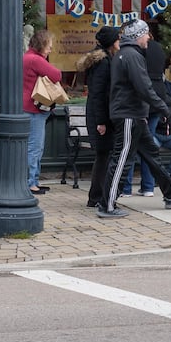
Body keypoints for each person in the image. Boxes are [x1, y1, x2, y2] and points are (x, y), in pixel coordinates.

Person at [98, 19, 171, 218]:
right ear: (137, 36)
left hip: (135, 116)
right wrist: (163, 108)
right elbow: (144, 87)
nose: (148, 37)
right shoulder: (131, 55)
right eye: (145, 33)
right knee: (122, 158)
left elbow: (141, 88)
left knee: (152, 155)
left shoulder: (126, 54)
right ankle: (107, 205)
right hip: (128, 116)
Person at [120, 29, 171, 196]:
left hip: (143, 106)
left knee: (135, 146)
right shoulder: (155, 50)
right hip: (154, 109)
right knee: (148, 147)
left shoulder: (132, 53)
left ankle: (128, 188)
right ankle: (149, 187)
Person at [77, 26, 119, 209]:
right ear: (111, 42)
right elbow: (98, 94)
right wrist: (101, 121)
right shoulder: (103, 63)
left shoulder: (103, 60)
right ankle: (96, 196)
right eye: (118, 40)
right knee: (104, 156)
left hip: (98, 115)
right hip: (99, 116)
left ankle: (97, 195)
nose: (120, 43)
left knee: (104, 156)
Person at [22, 29, 62, 195]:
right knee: (35, 147)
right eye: (49, 47)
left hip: (29, 108)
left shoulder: (27, 57)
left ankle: (34, 181)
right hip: (33, 109)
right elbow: (56, 75)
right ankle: (31, 183)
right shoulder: (34, 59)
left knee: (35, 147)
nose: (50, 50)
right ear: (41, 45)